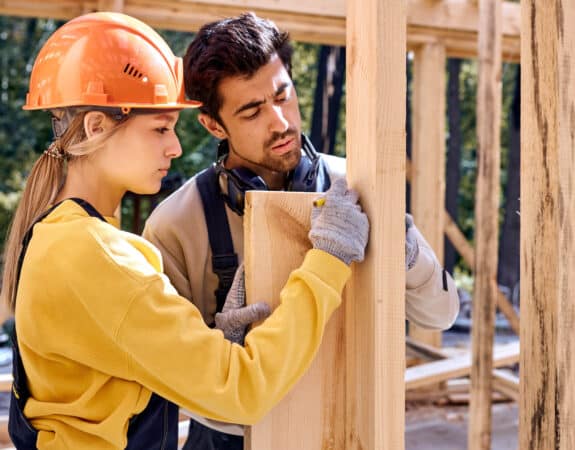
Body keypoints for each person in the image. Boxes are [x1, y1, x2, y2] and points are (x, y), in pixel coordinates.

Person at [1, 12, 369, 449]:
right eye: (160, 129)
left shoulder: (55, 234)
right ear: (96, 126)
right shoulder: (94, 255)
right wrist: (329, 256)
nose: (175, 148)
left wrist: (210, 349)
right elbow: (243, 391)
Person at [143, 12, 460, 450]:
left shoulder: (355, 186)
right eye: (252, 111)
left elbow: (441, 314)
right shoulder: (176, 225)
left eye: (283, 95)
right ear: (213, 125)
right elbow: (169, 380)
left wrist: (399, 245)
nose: (280, 122)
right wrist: (227, 350)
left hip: (344, 425)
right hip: (226, 439)